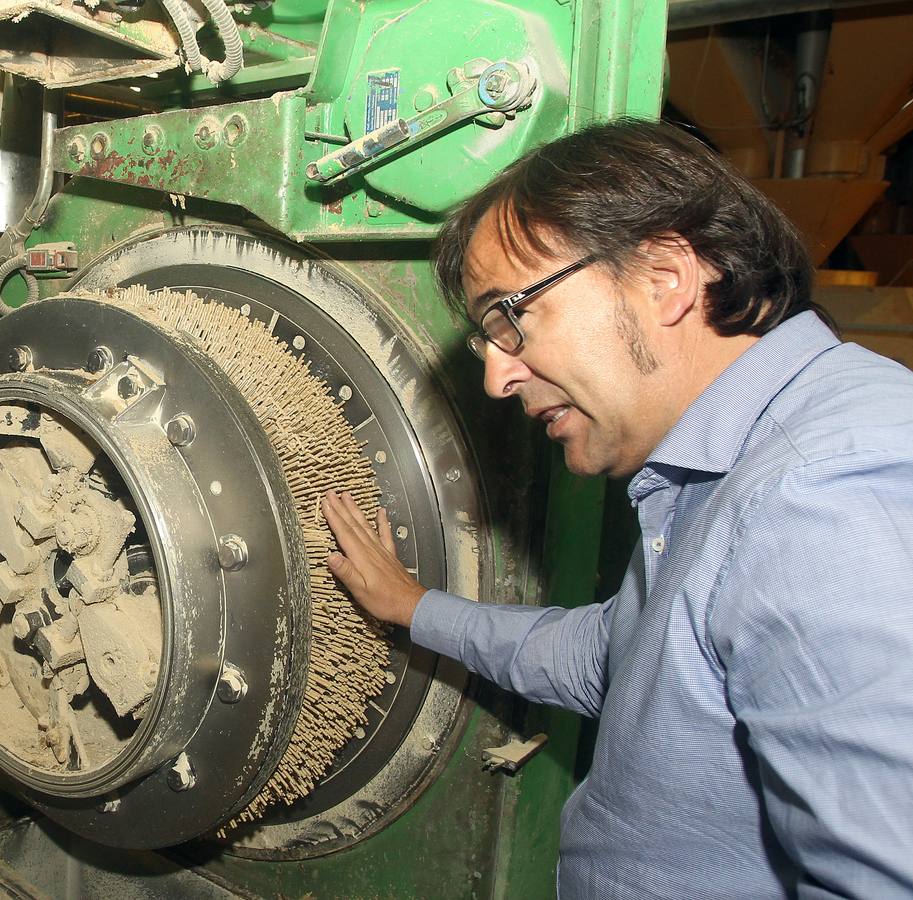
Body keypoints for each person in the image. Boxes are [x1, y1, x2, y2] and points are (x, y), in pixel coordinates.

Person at [321, 118, 913, 898]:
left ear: (664, 278)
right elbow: (625, 656)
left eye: (512, 317)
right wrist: (413, 608)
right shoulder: (723, 468)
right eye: (485, 338)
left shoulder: (823, 492)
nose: (498, 378)